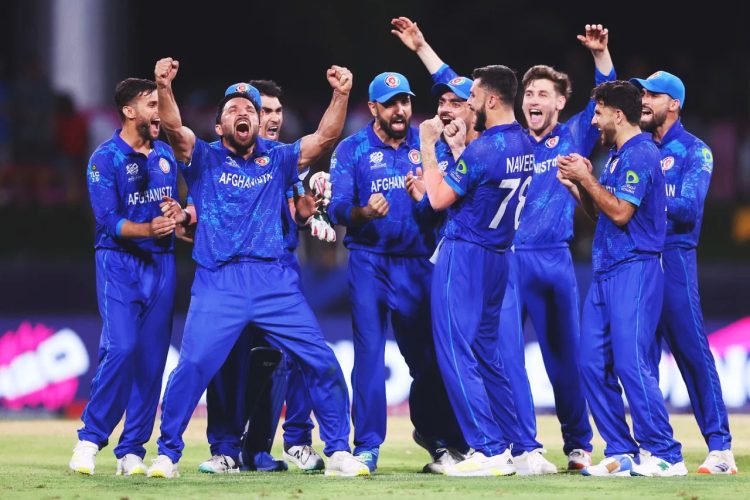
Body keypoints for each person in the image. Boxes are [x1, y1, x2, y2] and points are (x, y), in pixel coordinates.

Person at [146, 57, 368, 478]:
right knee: (192, 367)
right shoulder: (203, 159)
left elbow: (325, 137)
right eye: (233, 109)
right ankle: (167, 454)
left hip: (274, 281)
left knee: (321, 361)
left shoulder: (279, 158)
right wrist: (163, 86)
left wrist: (340, 94)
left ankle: (338, 451)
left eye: (250, 108)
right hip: (219, 280)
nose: (243, 112)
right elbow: (174, 129)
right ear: (218, 126)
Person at [327, 72, 467, 474]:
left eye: (404, 101)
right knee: (369, 357)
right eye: (390, 103)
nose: (400, 110)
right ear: (373, 108)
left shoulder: (428, 146)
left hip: (419, 263)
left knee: (427, 360)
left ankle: (436, 437)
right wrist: (364, 213)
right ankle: (368, 446)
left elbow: (446, 201)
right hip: (369, 261)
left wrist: (425, 197)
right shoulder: (351, 149)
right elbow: (337, 208)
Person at [495, 24, 615, 474]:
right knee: (507, 356)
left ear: (561, 102)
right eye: (528, 93)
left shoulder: (574, 135)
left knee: (566, 358)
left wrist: (601, 56)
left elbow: (606, 101)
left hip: (554, 257)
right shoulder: (508, 140)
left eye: (543, 93)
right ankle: (524, 446)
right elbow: (471, 92)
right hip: (508, 259)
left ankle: (578, 444)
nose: (533, 100)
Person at [557, 80, 685, 477]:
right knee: (591, 362)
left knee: (630, 363)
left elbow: (621, 214)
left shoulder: (641, 153)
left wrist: (586, 176)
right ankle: (622, 451)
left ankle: (666, 453)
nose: (594, 120)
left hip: (636, 269)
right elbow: (604, 216)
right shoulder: (615, 156)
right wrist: (580, 188)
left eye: (597, 112)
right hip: (606, 269)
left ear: (617, 113)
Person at [199, 79, 326, 474]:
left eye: (275, 111)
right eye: (262, 110)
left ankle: (269, 446)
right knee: (228, 359)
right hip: (232, 273)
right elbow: (201, 206)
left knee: (285, 359)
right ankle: (224, 447)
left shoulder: (283, 160)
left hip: (280, 270)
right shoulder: (221, 161)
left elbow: (300, 206)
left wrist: (312, 212)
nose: (270, 118)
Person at [420, 65, 534, 476]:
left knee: (455, 348)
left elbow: (436, 198)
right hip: (498, 257)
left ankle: (487, 449)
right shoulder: (523, 142)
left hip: (466, 254)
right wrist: (459, 152)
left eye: (472, 98)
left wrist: (429, 145)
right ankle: (516, 446)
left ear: (490, 100)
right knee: (487, 354)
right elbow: (482, 187)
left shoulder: (484, 149)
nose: (467, 105)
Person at [69, 78, 181, 476]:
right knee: (120, 349)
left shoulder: (166, 154)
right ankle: (88, 440)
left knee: (152, 361)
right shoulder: (104, 159)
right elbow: (109, 221)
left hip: (162, 265)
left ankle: (132, 449)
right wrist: (150, 229)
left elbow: (173, 211)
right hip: (118, 263)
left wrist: (177, 215)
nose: (159, 111)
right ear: (129, 111)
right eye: (152, 103)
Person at [630, 71, 736, 474]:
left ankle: (721, 449)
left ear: (673, 103)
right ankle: (654, 447)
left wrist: (639, 195)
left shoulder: (696, 151)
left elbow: (689, 208)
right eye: (642, 93)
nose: (643, 100)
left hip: (673, 259)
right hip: (637, 259)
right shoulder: (637, 148)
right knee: (639, 356)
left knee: (692, 353)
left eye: (653, 95)